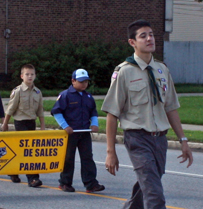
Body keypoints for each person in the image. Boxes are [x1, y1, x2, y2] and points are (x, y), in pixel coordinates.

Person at [102, 19, 193, 209]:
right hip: (137, 138)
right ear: (132, 42)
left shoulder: (161, 70)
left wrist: (183, 140)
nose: (149, 38)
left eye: (151, 34)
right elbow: (112, 114)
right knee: (154, 194)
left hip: (160, 140)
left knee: (146, 187)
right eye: (143, 36)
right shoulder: (124, 72)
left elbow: (170, 108)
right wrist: (111, 152)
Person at [51, 69, 105, 193]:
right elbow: (56, 112)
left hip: (84, 132)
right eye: (81, 81)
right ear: (73, 81)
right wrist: (65, 126)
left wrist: (95, 124)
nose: (84, 84)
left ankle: (91, 184)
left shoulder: (88, 96)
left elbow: (93, 112)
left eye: (86, 81)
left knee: (87, 158)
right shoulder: (65, 95)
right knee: (68, 158)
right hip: (70, 133)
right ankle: (65, 183)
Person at [1, 64, 44, 187]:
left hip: (31, 122)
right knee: (27, 150)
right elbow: (10, 109)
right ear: (21, 76)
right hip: (20, 123)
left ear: (35, 76)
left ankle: (13, 171)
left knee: (30, 150)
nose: (30, 76)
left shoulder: (37, 92)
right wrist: (5, 124)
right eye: (27, 74)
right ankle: (32, 178)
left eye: (32, 74)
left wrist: (42, 127)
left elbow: (40, 111)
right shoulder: (18, 91)